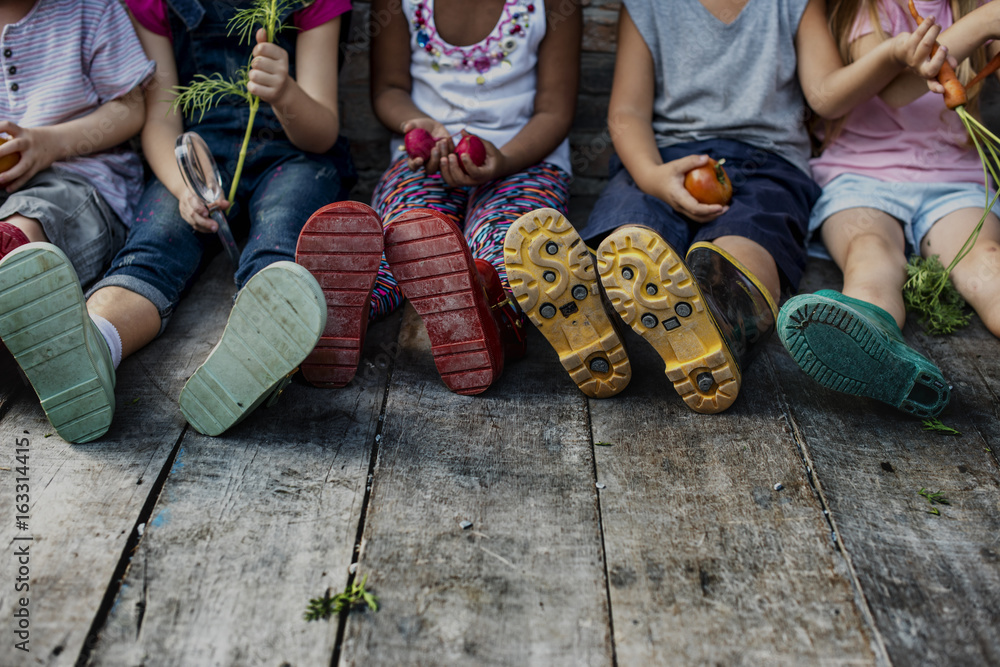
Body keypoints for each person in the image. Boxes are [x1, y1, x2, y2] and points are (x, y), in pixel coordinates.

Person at [511, 0, 949, 414]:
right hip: (665, 158)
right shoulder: (648, 5)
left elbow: (824, 96)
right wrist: (651, 176)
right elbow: (627, 113)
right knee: (630, 226)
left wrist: (892, 56)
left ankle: (718, 311)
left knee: (748, 239)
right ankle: (592, 309)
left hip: (767, 163)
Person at [0, 0, 355, 442]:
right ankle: (93, 346)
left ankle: (259, 349)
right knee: (152, 248)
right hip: (191, 159)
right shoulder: (157, 4)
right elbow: (160, 119)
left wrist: (285, 93)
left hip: (293, 157)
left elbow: (321, 132)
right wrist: (182, 186)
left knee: (281, 235)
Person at [294, 0, 583, 396]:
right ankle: (344, 315)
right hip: (424, 161)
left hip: (523, 160)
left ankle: (488, 309)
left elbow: (554, 111)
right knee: (405, 236)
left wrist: (505, 160)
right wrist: (418, 125)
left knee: (509, 241)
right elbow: (389, 90)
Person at [779, 0, 1000, 418]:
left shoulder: (970, 4)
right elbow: (897, 89)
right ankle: (871, 351)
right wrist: (985, 24)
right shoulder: (866, 10)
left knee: (986, 261)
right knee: (869, 252)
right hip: (861, 177)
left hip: (950, 177)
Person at [0, 0, 153, 435]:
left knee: (34, 222)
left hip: (81, 180)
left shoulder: (90, 10)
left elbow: (130, 107)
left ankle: (12, 263)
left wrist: (49, 143)